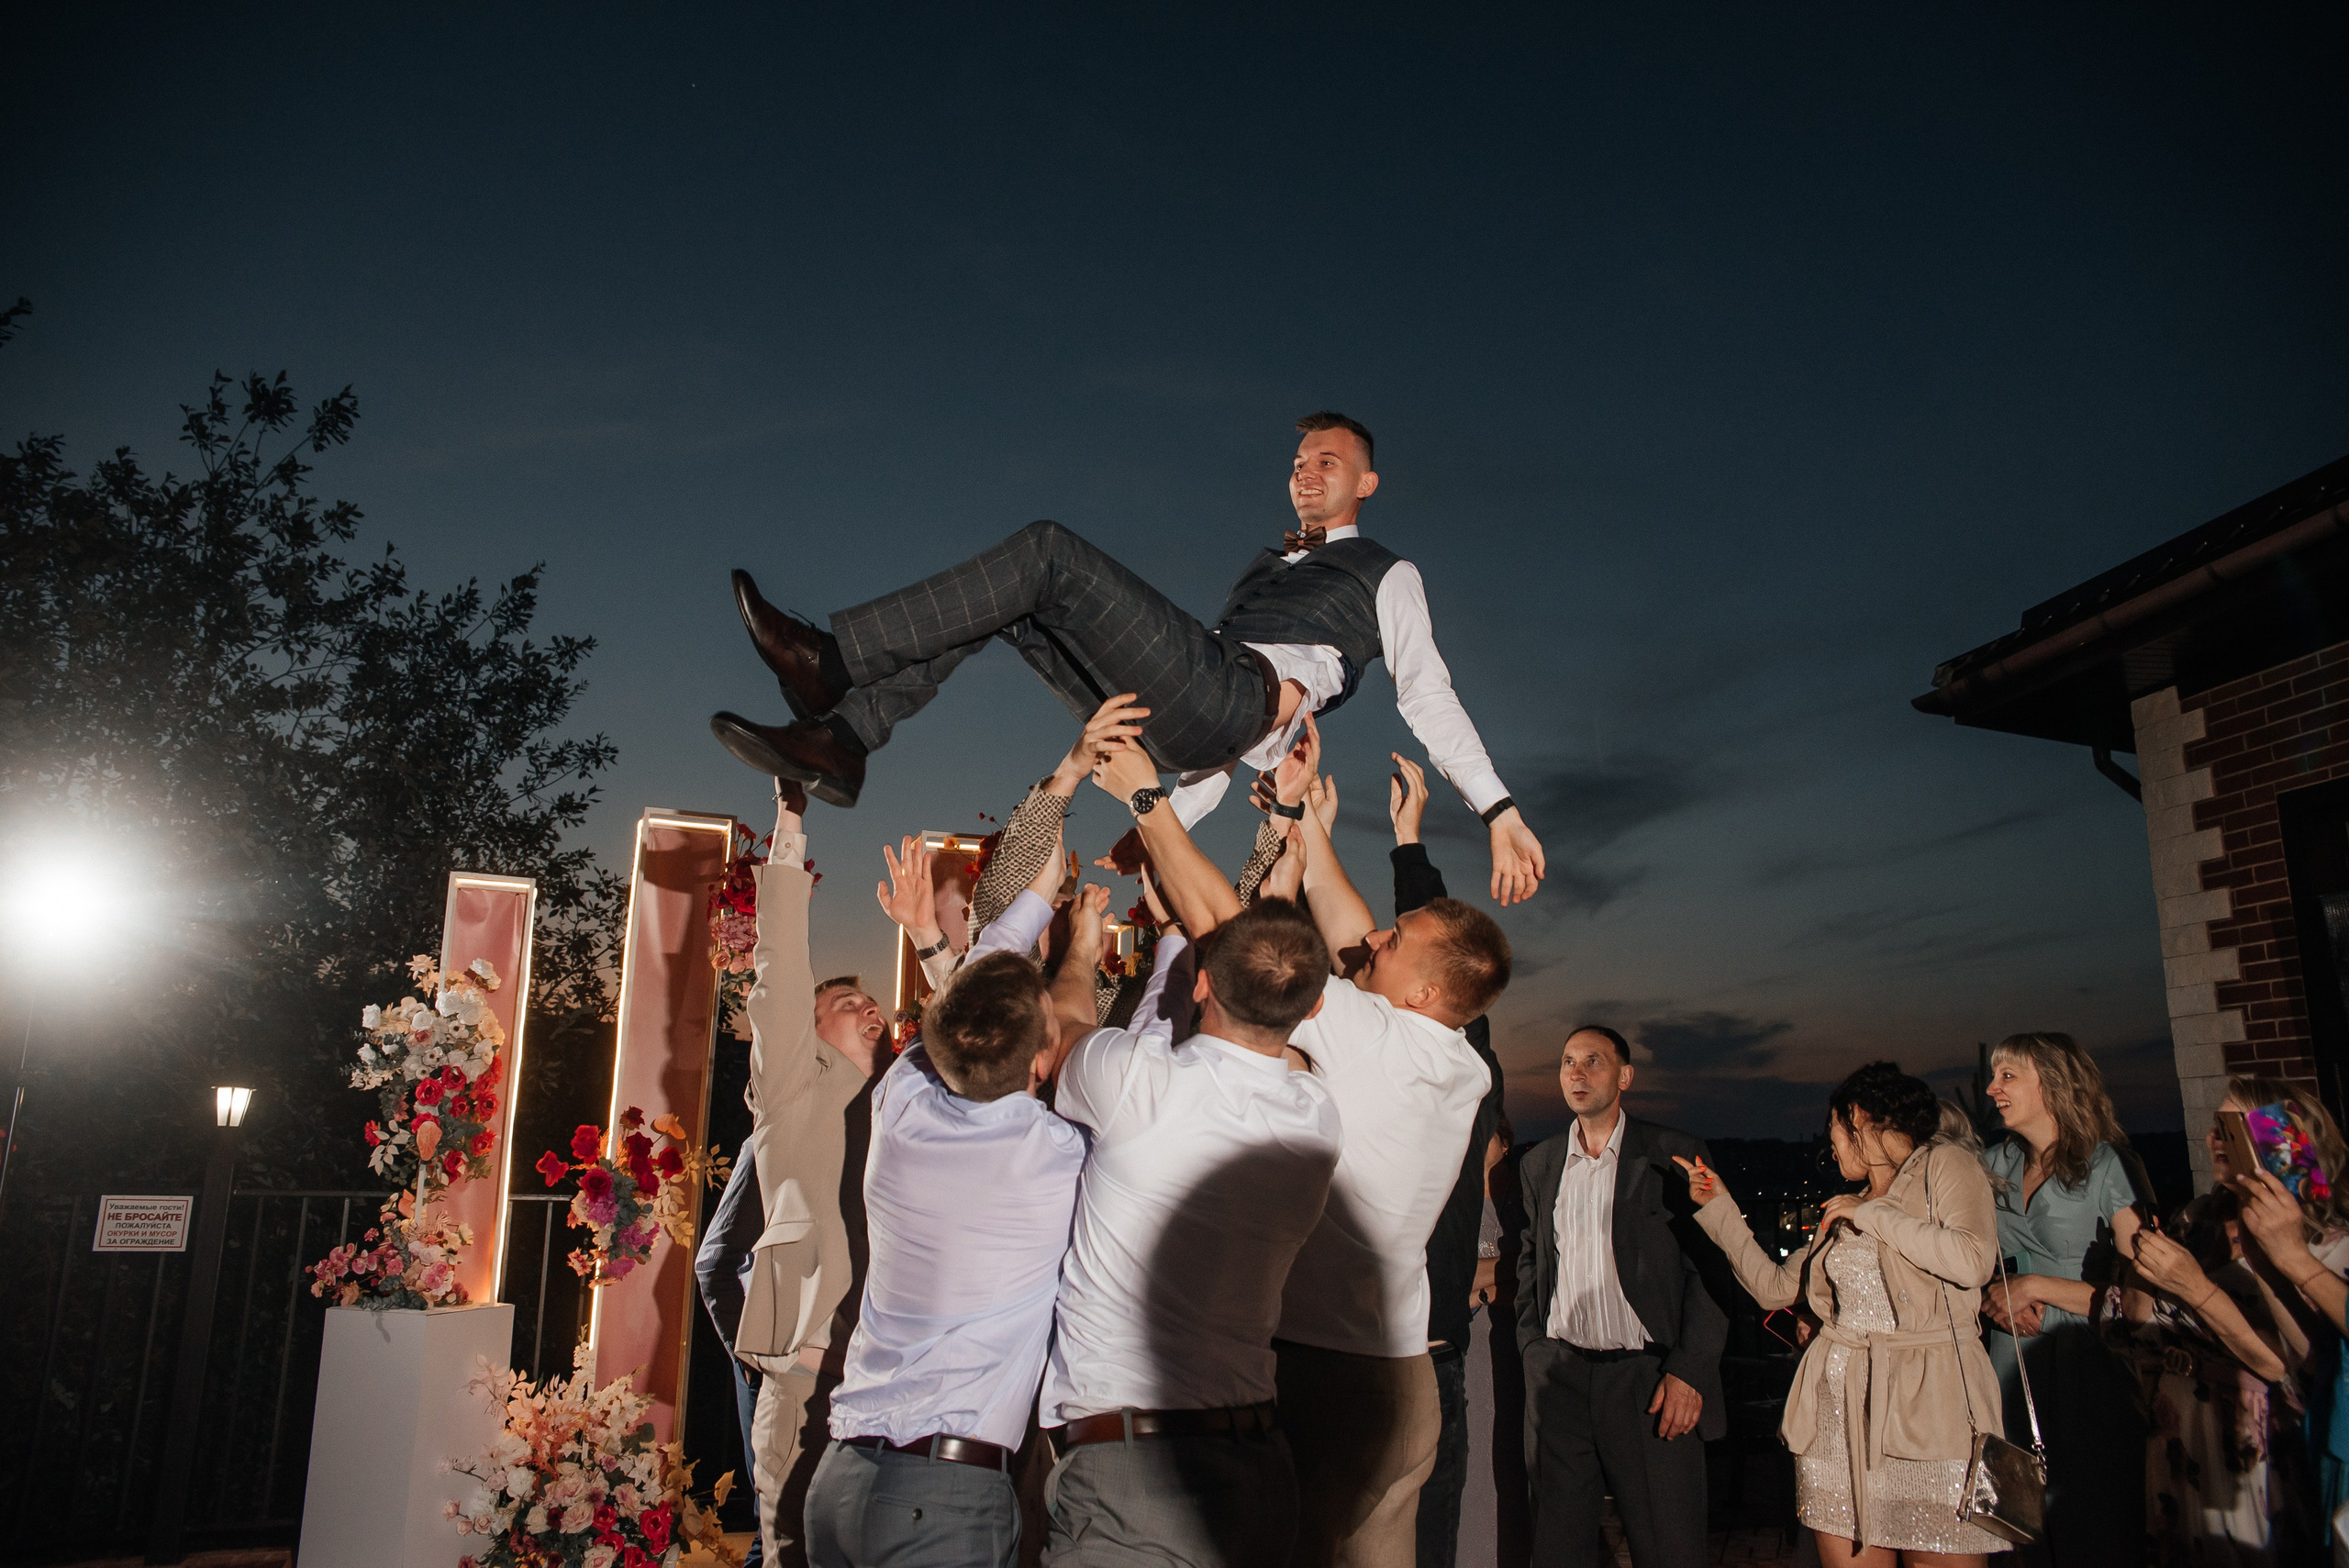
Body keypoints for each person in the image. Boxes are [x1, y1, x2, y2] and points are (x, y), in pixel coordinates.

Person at [708, 412, 1548, 906]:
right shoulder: (1262, 569)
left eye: (1327, 463)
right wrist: (1161, 825)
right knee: (1013, 604)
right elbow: (1214, 744)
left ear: (1366, 483)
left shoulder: (1386, 573)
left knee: (1048, 550)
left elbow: (1426, 693)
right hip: (1194, 711)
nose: (1306, 475)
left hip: (1233, 696)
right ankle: (847, 739)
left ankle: (833, 660)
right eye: (1298, 464)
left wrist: (1499, 811)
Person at [1117, 727, 1506, 1568]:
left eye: (1396, 941)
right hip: (1406, 1383)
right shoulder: (1457, 1060)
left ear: (1425, 990)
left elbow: (1239, 942)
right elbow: (1350, 925)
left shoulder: (1375, 1041)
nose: (1375, 940)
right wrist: (1308, 824)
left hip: (1331, 1375)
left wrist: (1148, 802)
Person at [1034, 770, 1344, 1568]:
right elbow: (1262, 979)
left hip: (1134, 1474)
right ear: (1311, 1007)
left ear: (1202, 982)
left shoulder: (1140, 1082)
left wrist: (1081, 945)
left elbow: (1060, 1027)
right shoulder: (1317, 1115)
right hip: (1258, 1461)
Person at [801, 868, 1097, 1568]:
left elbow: (968, 992)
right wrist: (1080, 941)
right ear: (1044, 1058)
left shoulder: (899, 1100)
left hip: (839, 1479)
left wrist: (1035, 891)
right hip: (939, 1500)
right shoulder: (1058, 1153)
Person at [1679, 1062, 2008, 1567]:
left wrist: (1872, 1215)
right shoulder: (1847, 1204)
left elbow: (1973, 1260)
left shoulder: (1945, 1165)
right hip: (1838, 1415)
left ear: (1859, 1117)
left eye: (1832, 1125)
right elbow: (1773, 1290)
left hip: (1931, 1410)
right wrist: (1721, 1208)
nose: (1828, 1143)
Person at [2105, 1074, 2349, 1564]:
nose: (2213, 1138)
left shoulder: (2326, 1240)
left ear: (2280, 1138)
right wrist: (2140, 1258)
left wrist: (2199, 1287)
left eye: (2230, 1128)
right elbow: (2139, 1327)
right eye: (2214, 1126)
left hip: (2258, 1442)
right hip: (2182, 1429)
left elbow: (2303, 1366)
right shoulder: (2198, 1219)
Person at [1513, 1026, 1726, 1568]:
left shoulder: (1672, 1155)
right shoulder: (1540, 1164)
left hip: (1649, 1383)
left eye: (1594, 1061)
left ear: (1625, 1076)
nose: (1577, 1073)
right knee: (1556, 1550)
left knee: (1669, 1548)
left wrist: (1690, 1371)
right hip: (1559, 1381)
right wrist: (1533, 1349)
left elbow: (1713, 1272)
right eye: (1568, 1062)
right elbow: (1532, 1263)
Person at [1385, 755, 1507, 1568]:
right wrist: (1406, 841)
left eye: (1396, 943)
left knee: (1425, 1545)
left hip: (1428, 1356)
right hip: (1350, 1355)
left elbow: (1451, 963)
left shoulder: (1465, 1075)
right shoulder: (1375, 1057)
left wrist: (1410, 852)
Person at [1976, 1030, 2147, 1566]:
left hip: (2088, 1358)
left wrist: (2035, 1287)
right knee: (2016, 1527)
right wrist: (1992, 1296)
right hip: (2011, 1361)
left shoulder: (2108, 1165)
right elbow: (1970, 1259)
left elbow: (2145, 1294)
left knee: (2089, 1522)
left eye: (2008, 1076)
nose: (1991, 1088)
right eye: (1994, 1076)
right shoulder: (1992, 1164)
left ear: (2052, 1085)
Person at [696, 1146, 771, 1568]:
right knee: (772, 1529)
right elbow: (713, 1264)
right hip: (769, 1368)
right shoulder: (768, 1141)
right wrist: (751, 1359)